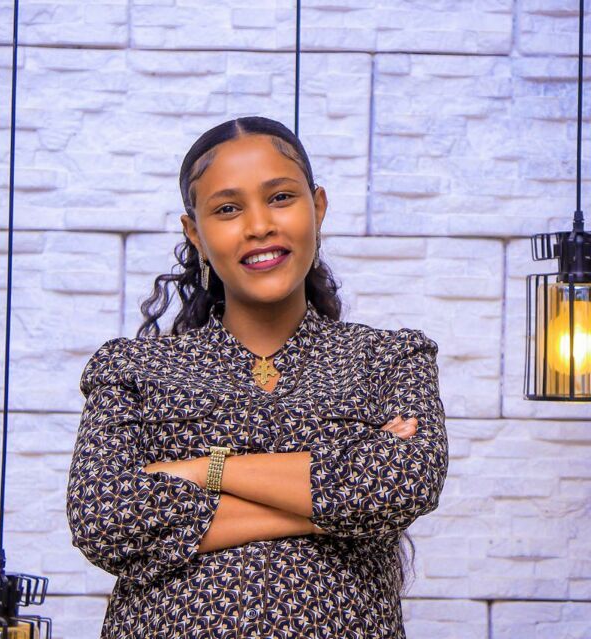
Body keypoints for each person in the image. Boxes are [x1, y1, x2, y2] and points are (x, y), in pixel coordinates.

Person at [66, 115, 449, 638]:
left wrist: (201, 470)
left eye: (280, 197)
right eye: (228, 208)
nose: (259, 225)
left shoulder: (388, 358)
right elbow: (105, 523)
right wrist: (339, 511)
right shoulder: (132, 369)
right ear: (195, 234)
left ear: (317, 207)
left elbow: (403, 484)